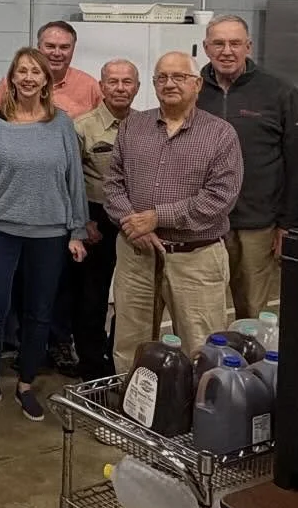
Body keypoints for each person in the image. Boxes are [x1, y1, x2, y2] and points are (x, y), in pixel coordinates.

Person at [0, 49, 88, 421]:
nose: (29, 77)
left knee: (39, 313)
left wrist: (77, 230)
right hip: (0, 230)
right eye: (22, 71)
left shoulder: (62, 123)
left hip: (50, 233)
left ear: (46, 80)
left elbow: (74, 180)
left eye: (37, 71)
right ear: (12, 78)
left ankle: (26, 385)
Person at [104, 52, 243, 371]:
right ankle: (133, 411)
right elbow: (113, 183)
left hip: (195, 259)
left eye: (179, 77)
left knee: (202, 348)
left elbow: (219, 198)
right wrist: (135, 226)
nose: (169, 83)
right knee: (131, 346)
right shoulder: (132, 126)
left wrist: (157, 217)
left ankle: (200, 417)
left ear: (197, 84)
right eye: (162, 77)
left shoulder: (220, 135)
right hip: (136, 255)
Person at [197, 15, 298, 318]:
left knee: (252, 312)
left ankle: (254, 364)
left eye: (235, 43)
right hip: (203, 222)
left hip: (257, 223)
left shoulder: (279, 91)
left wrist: (289, 224)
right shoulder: (193, 90)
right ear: (206, 48)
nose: (227, 51)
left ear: (248, 46)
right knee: (201, 309)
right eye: (218, 43)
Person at [72, 59, 140, 381]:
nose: (120, 88)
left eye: (127, 82)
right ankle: (91, 364)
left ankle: (119, 360)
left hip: (136, 220)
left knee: (131, 296)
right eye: (113, 81)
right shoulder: (82, 127)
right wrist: (83, 221)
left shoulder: (148, 127)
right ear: (101, 86)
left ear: (137, 88)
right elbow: (69, 180)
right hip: (95, 219)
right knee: (91, 297)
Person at [0, 20, 103, 119]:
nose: (56, 53)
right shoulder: (12, 83)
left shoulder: (90, 87)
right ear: (38, 47)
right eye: (50, 46)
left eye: (64, 47)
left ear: (73, 49)